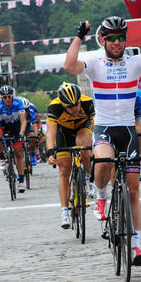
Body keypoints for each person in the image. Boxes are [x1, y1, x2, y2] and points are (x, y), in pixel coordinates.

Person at [64, 13, 141, 266]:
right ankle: (101, 196)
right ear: (103, 39)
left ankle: (136, 245)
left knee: (133, 192)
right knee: (102, 162)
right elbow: (70, 65)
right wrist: (79, 36)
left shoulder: (134, 62)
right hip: (104, 127)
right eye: (112, 39)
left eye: (121, 38)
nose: (117, 43)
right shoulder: (94, 61)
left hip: (127, 130)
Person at [46, 82, 95, 229]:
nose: (74, 108)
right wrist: (49, 152)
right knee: (64, 170)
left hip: (83, 127)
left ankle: (88, 178)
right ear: (62, 105)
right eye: (69, 106)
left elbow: (97, 124)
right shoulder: (54, 107)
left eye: (76, 104)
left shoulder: (87, 103)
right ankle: (64, 211)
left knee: (83, 142)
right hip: (64, 132)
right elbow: (50, 133)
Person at [0, 85, 27, 193]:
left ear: (12, 96)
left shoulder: (18, 103)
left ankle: (21, 180)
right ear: (1, 98)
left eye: (9, 96)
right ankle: (2, 158)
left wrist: (21, 133)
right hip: (3, 126)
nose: (7, 99)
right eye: (4, 97)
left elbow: (24, 121)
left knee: (19, 153)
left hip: (16, 126)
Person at [20, 97, 40, 167]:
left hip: (28, 127)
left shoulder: (31, 112)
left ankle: (32, 153)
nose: (26, 112)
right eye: (24, 110)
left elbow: (35, 125)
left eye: (27, 109)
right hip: (18, 128)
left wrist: (36, 135)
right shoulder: (16, 114)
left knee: (32, 136)